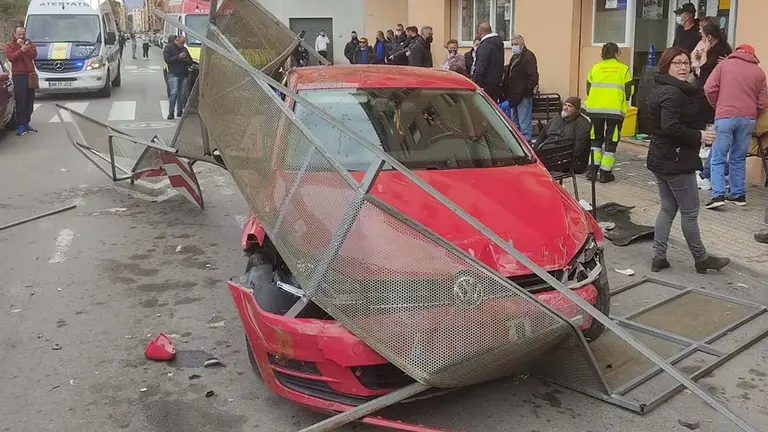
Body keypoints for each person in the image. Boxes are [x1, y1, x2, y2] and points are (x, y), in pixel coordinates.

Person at [645, 46, 729, 274]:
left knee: (668, 208)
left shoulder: (662, 86)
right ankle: (701, 258)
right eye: (677, 63)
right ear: (666, 65)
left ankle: (658, 257)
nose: (683, 67)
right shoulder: (673, 93)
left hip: (661, 157)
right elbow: (670, 126)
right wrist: (699, 135)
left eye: (685, 63)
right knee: (690, 212)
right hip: (676, 160)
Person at [703, 44, 768, 209]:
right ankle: (738, 195)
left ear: (736, 52)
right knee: (738, 157)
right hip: (748, 119)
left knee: (718, 156)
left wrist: (718, 105)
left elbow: (709, 88)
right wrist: (754, 111)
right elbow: (763, 100)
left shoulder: (723, 65)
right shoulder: (758, 72)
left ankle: (718, 195)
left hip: (725, 116)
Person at [583, 42, 633, 183]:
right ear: (617, 53)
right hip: (615, 111)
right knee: (611, 141)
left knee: (595, 140)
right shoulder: (624, 69)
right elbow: (629, 91)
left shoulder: (595, 68)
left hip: (595, 110)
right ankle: (605, 173)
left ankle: (592, 171)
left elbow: (588, 89)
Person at [693, 19, 732, 190]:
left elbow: (704, 69)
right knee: (710, 127)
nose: (700, 34)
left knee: (712, 128)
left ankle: (708, 172)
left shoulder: (721, 49)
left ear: (709, 36)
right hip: (707, 93)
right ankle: (707, 166)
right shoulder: (710, 48)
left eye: (702, 32)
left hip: (713, 94)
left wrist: (706, 52)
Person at [534, 97, 592, 174]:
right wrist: (534, 152)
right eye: (565, 105)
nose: (566, 108)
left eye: (570, 106)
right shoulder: (556, 119)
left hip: (570, 160)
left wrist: (559, 157)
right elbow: (541, 137)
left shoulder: (583, 124)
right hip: (550, 154)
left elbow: (578, 149)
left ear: (577, 110)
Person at [501, 34, 538, 143]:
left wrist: (525, 90)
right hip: (513, 96)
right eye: (512, 45)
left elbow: (533, 77)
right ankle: (517, 143)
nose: (513, 47)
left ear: (522, 44)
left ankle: (526, 144)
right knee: (514, 123)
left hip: (523, 96)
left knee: (524, 123)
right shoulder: (514, 57)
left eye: (516, 44)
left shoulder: (528, 56)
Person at [4, 26, 37, 136]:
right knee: (21, 101)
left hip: (30, 75)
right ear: (14, 34)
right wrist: (20, 50)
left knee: (30, 101)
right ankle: (21, 125)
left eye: (23, 34)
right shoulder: (10, 45)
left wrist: (24, 46)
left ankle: (27, 122)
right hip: (19, 76)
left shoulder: (29, 43)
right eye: (19, 34)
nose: (22, 36)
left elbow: (34, 55)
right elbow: (11, 58)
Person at [163, 35, 193, 120]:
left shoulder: (184, 49)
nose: (182, 45)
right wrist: (178, 57)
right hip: (173, 74)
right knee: (173, 93)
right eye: (181, 43)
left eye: (183, 43)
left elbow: (190, 61)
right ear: (176, 40)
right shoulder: (169, 47)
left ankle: (180, 111)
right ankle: (171, 113)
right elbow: (167, 59)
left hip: (184, 74)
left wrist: (186, 58)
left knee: (182, 94)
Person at [471, 23, 503, 100]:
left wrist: (475, 85)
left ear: (480, 32)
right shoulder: (498, 44)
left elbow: (480, 67)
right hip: (495, 85)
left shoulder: (484, 46)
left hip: (484, 86)